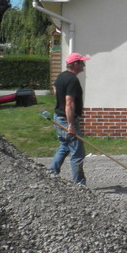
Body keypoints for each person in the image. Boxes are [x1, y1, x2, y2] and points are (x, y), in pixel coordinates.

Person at [50, 52, 90, 185]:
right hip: (67, 120)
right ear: (76, 64)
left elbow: (55, 88)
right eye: (82, 63)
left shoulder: (61, 76)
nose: (84, 65)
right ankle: (80, 184)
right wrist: (71, 125)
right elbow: (69, 102)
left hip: (59, 117)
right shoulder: (72, 80)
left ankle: (51, 174)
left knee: (64, 147)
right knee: (78, 153)